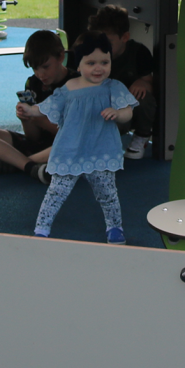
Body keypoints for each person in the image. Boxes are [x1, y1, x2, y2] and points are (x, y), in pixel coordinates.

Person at [21, 33, 138, 243]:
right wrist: (30, 111)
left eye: (105, 62)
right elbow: (48, 106)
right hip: (70, 150)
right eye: (91, 62)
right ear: (79, 63)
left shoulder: (113, 87)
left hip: (100, 150)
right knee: (57, 191)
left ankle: (114, 227)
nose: (98, 68)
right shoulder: (69, 88)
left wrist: (118, 114)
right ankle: (42, 228)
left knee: (108, 193)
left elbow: (128, 111)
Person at [0, 30, 73, 182]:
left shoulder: (76, 84)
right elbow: (33, 137)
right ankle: (30, 166)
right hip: (38, 145)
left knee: (80, 143)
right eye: (35, 68)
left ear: (61, 57)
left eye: (45, 66)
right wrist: (26, 120)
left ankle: (17, 162)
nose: (40, 74)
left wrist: (40, 120)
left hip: (64, 146)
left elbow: (73, 134)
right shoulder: (33, 83)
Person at [83, 4, 155, 159]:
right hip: (106, 109)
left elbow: (149, 82)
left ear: (125, 37)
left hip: (128, 108)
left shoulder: (138, 53)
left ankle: (141, 136)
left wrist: (143, 83)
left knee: (144, 97)